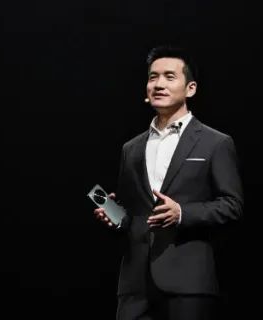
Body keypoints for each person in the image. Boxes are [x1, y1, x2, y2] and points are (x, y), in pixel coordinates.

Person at [95, 46, 244, 320]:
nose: (159, 84)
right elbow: (133, 216)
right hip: (135, 286)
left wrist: (182, 213)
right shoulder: (131, 148)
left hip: (188, 284)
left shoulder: (216, 142)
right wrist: (116, 218)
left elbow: (232, 205)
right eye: (153, 77)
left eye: (169, 76)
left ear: (191, 89)